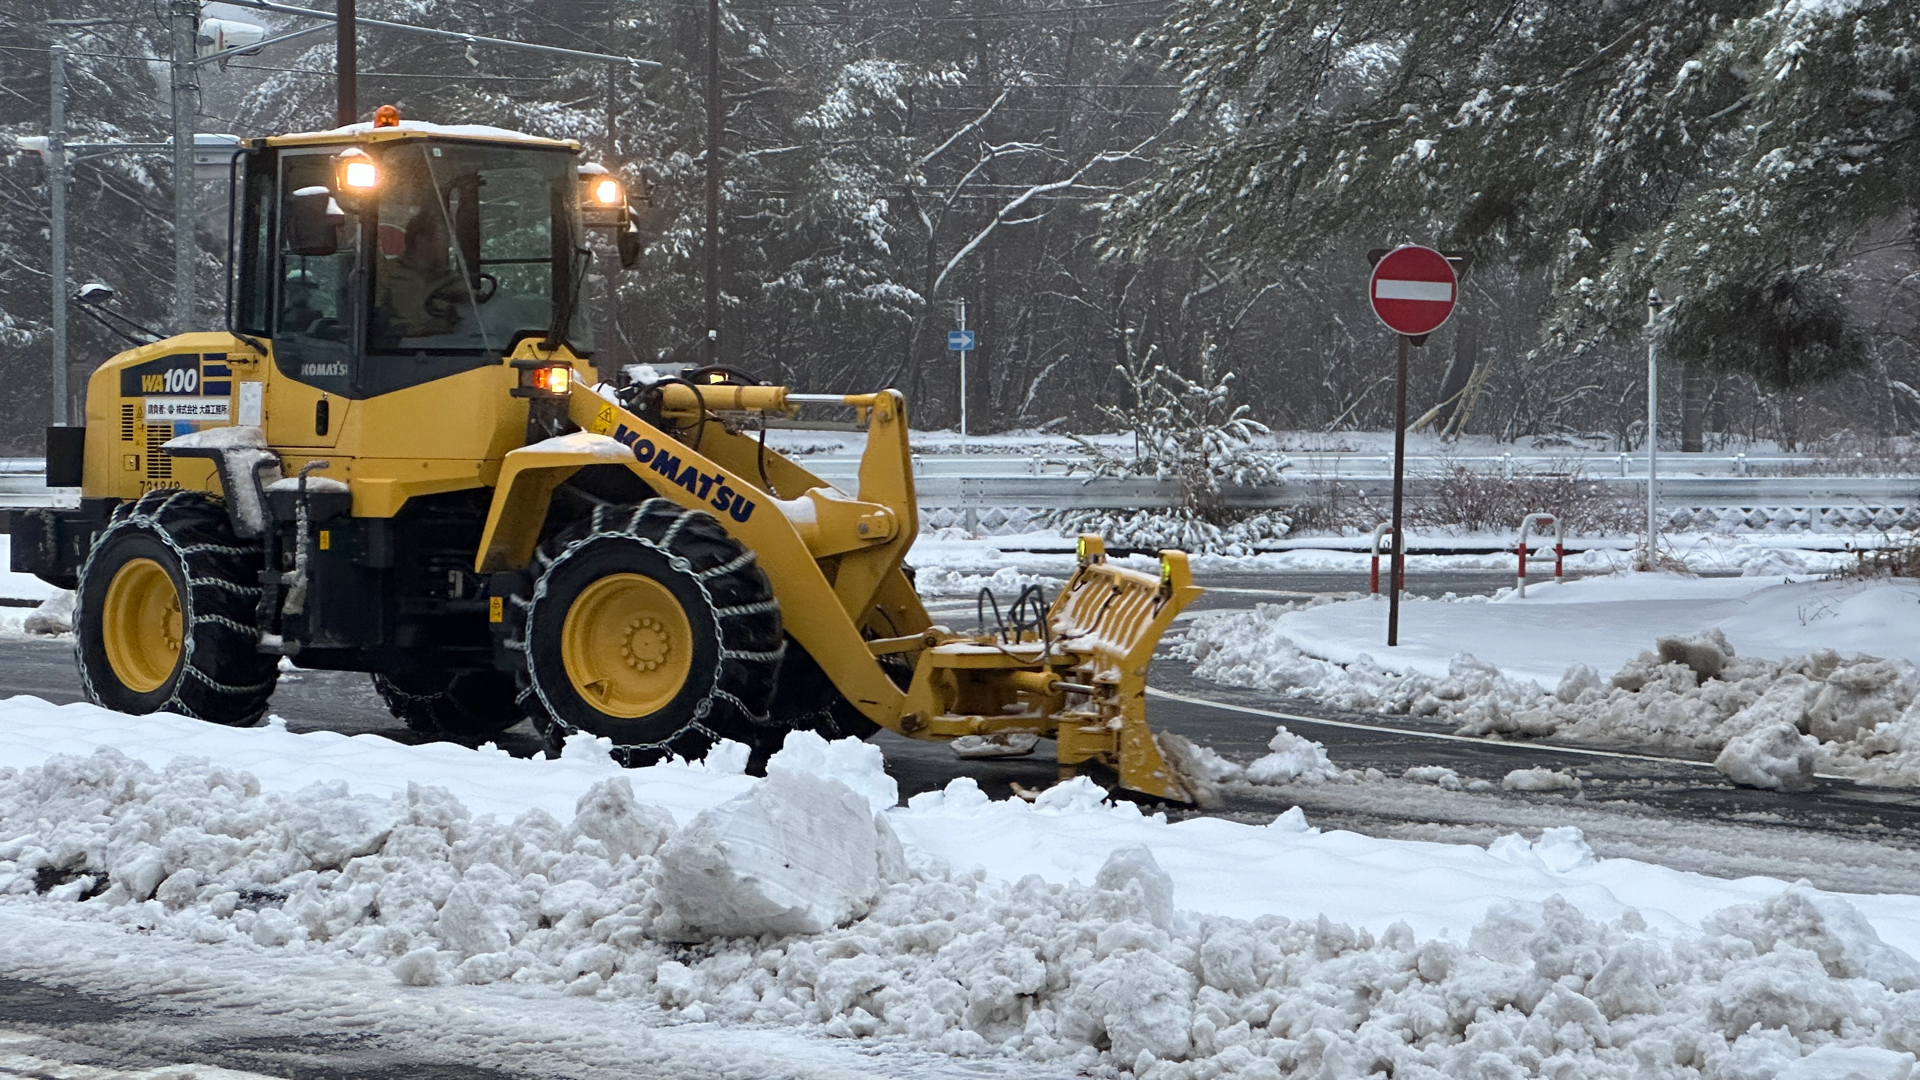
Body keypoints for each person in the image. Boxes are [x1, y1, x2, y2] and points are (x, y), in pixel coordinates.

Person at [374, 209, 469, 339]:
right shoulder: (385, 274)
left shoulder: (451, 278)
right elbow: (373, 322)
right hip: (399, 351)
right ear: (421, 240)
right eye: (440, 238)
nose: (447, 245)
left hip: (453, 351)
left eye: (448, 239)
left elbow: (470, 317)